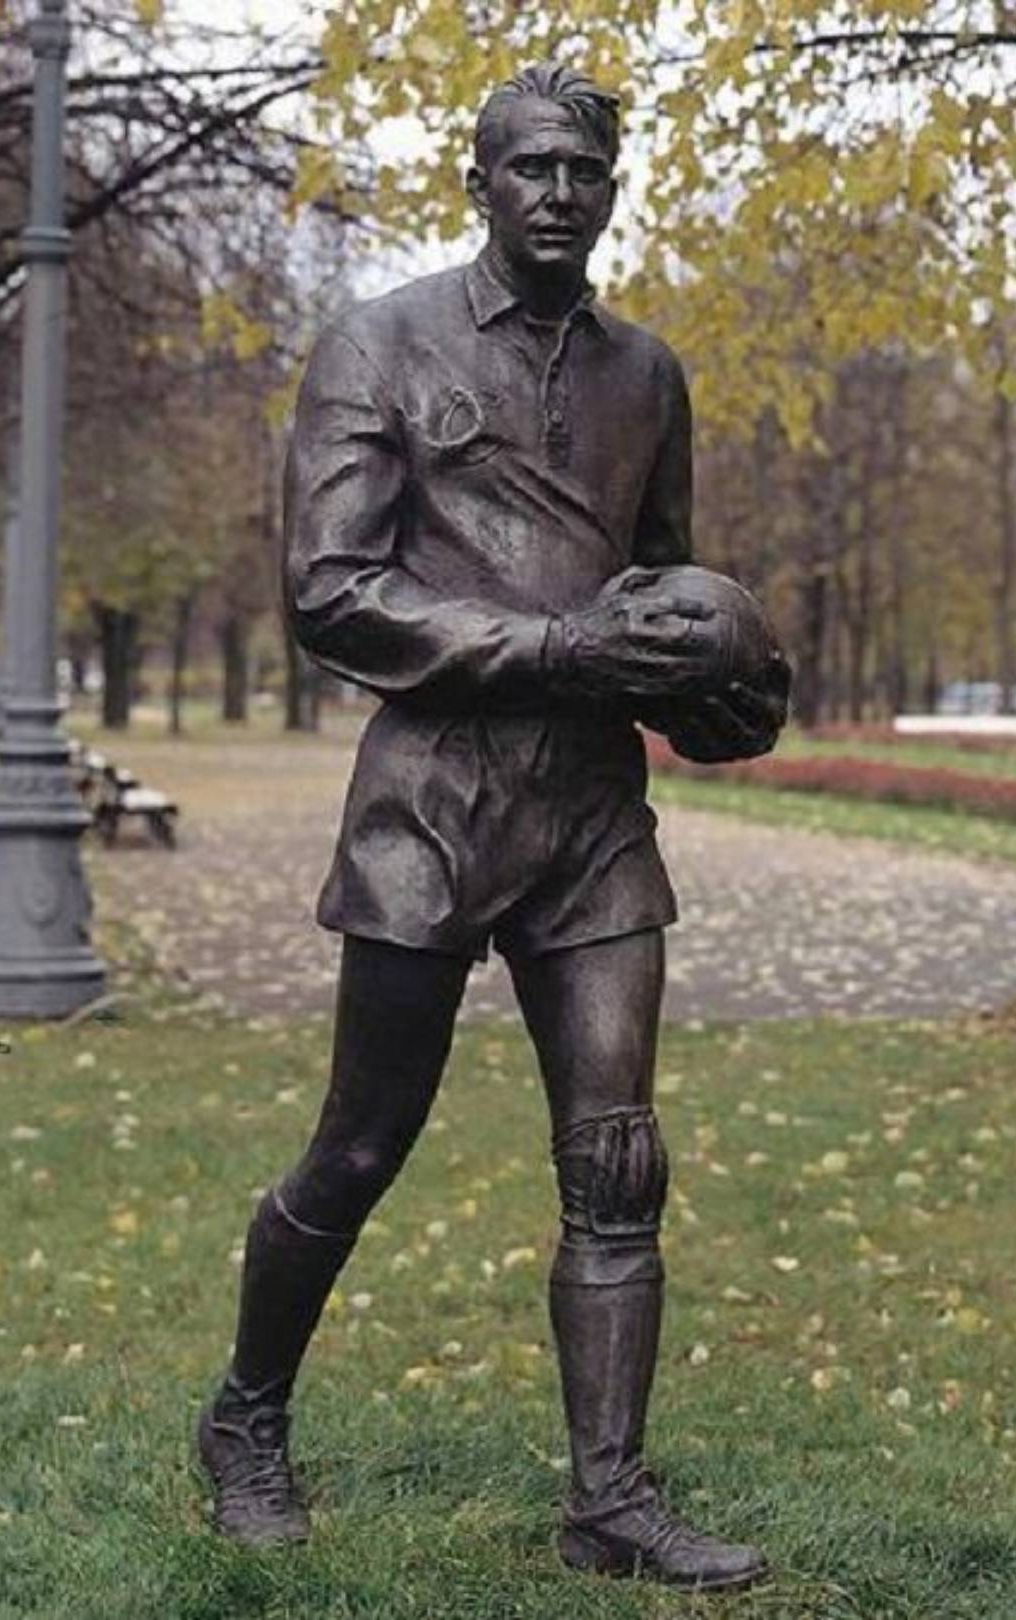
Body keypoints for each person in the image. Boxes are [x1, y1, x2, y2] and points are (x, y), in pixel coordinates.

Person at [197, 61, 782, 1592]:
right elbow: (331, 593)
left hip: (592, 818)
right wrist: (556, 654)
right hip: (431, 810)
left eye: (582, 169)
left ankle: (610, 1498)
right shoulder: (378, 344)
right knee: (361, 1143)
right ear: (479, 182)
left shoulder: (648, 377)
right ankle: (245, 1419)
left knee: (618, 1159)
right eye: (528, 167)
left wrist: (725, 690)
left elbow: (663, 586)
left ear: (610, 187)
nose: (558, 193)